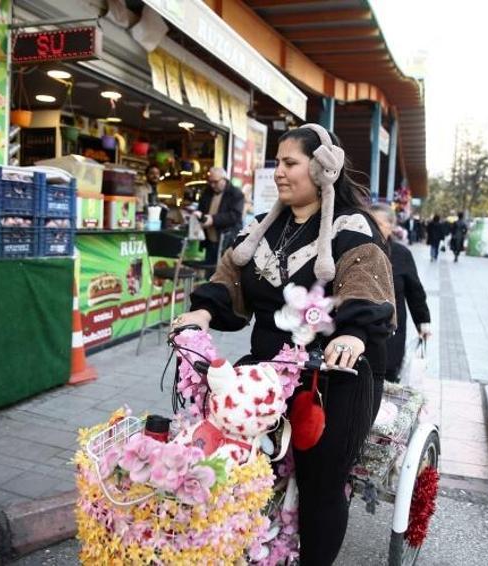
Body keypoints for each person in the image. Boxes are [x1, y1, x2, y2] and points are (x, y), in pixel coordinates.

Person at [173, 124, 396, 565]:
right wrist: (202, 312)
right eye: (278, 163)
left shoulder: (353, 228)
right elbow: (229, 279)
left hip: (336, 374)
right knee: (234, 461)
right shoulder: (261, 229)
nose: (279, 172)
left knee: (321, 483)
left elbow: (365, 285)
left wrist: (352, 332)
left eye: (290, 163)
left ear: (322, 169)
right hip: (267, 370)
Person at [370, 203, 432, 382]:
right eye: (368, 223)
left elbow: (415, 292)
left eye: (378, 224)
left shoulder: (401, 254)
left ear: (391, 226)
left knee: (387, 378)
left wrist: (423, 322)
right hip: (361, 331)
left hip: (391, 332)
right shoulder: (355, 250)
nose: (372, 229)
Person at [194, 166, 245, 269]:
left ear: (224, 179)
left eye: (215, 182)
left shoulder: (235, 194)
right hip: (210, 241)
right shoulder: (207, 192)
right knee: (209, 273)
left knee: (224, 275)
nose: (212, 185)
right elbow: (201, 209)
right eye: (210, 182)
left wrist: (213, 219)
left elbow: (235, 216)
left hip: (227, 241)